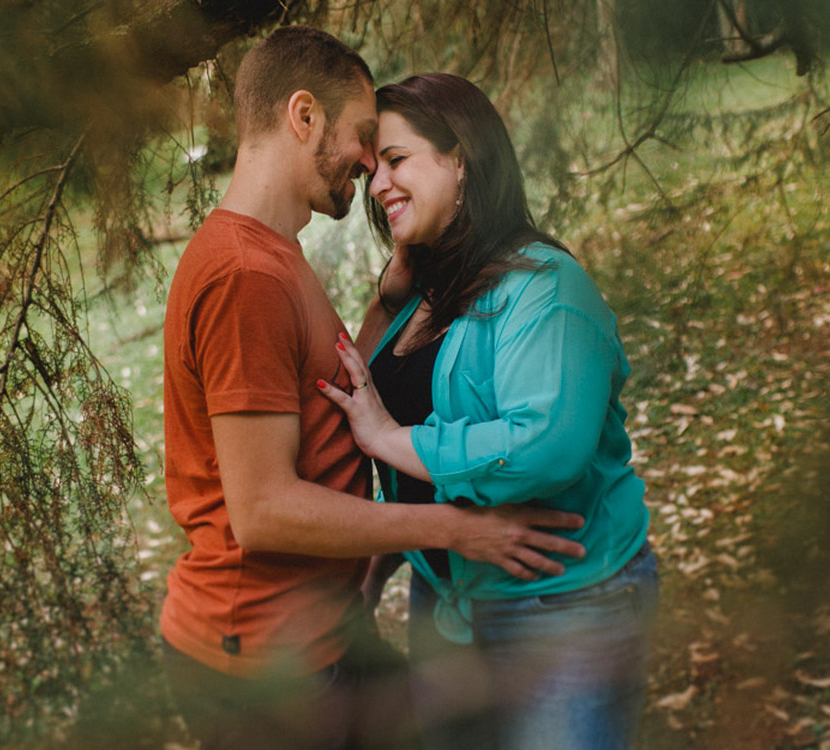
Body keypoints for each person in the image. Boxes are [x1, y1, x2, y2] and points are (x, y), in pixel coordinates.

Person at [159, 29, 586, 750]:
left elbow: (316, 401)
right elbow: (262, 510)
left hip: (318, 626)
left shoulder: (269, 253)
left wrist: (386, 307)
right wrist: (457, 528)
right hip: (260, 656)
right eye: (363, 137)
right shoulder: (245, 276)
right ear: (303, 117)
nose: (368, 161)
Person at [318, 72, 658, 750]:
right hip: (444, 602)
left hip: (562, 609)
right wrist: (382, 556)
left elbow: (543, 447)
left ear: (462, 159)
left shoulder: (548, 287)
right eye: (370, 172)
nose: (376, 187)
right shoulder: (423, 287)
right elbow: (373, 397)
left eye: (395, 161)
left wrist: (391, 438)